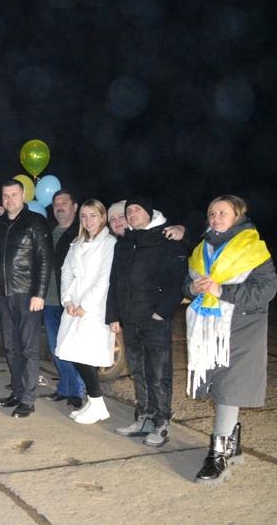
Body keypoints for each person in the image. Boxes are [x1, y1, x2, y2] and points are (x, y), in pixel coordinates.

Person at [183, 195, 276, 484]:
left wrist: (224, 292)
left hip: (242, 329)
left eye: (223, 212)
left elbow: (267, 289)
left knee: (228, 388)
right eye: (212, 213)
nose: (216, 217)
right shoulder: (201, 250)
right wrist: (193, 287)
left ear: (238, 215)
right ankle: (233, 446)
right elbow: (184, 285)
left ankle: (218, 455)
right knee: (218, 385)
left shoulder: (253, 248)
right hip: (209, 331)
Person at [106, 197, 187, 446]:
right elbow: (115, 282)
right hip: (131, 320)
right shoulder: (125, 243)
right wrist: (114, 316)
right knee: (138, 372)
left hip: (154, 320)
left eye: (137, 209)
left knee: (158, 373)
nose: (131, 214)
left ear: (150, 213)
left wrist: (161, 312)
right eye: (128, 211)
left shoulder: (166, 239)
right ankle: (144, 416)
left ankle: (162, 423)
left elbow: (176, 281)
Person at [0, 180, 53, 418]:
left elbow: (45, 260)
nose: (9, 200)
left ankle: (28, 398)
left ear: (23, 195)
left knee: (28, 348)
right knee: (10, 346)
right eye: (5, 196)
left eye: (14, 195)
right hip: (4, 296)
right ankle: (16, 391)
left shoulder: (35, 222)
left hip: (27, 295)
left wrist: (39, 294)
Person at [55, 200, 117, 424]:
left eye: (93, 216)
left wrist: (85, 305)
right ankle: (93, 401)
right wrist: (68, 300)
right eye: (84, 216)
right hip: (74, 306)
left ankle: (98, 403)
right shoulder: (77, 242)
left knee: (86, 357)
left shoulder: (108, 243)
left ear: (102, 218)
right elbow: (65, 273)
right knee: (74, 353)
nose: (88, 221)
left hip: (93, 309)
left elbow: (104, 278)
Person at [43, 190, 85, 408]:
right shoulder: (50, 230)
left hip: (70, 302)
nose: (59, 207)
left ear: (74, 206)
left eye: (64, 203)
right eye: (55, 203)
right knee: (56, 348)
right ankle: (65, 388)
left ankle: (77, 391)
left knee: (73, 348)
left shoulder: (82, 231)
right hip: (49, 301)